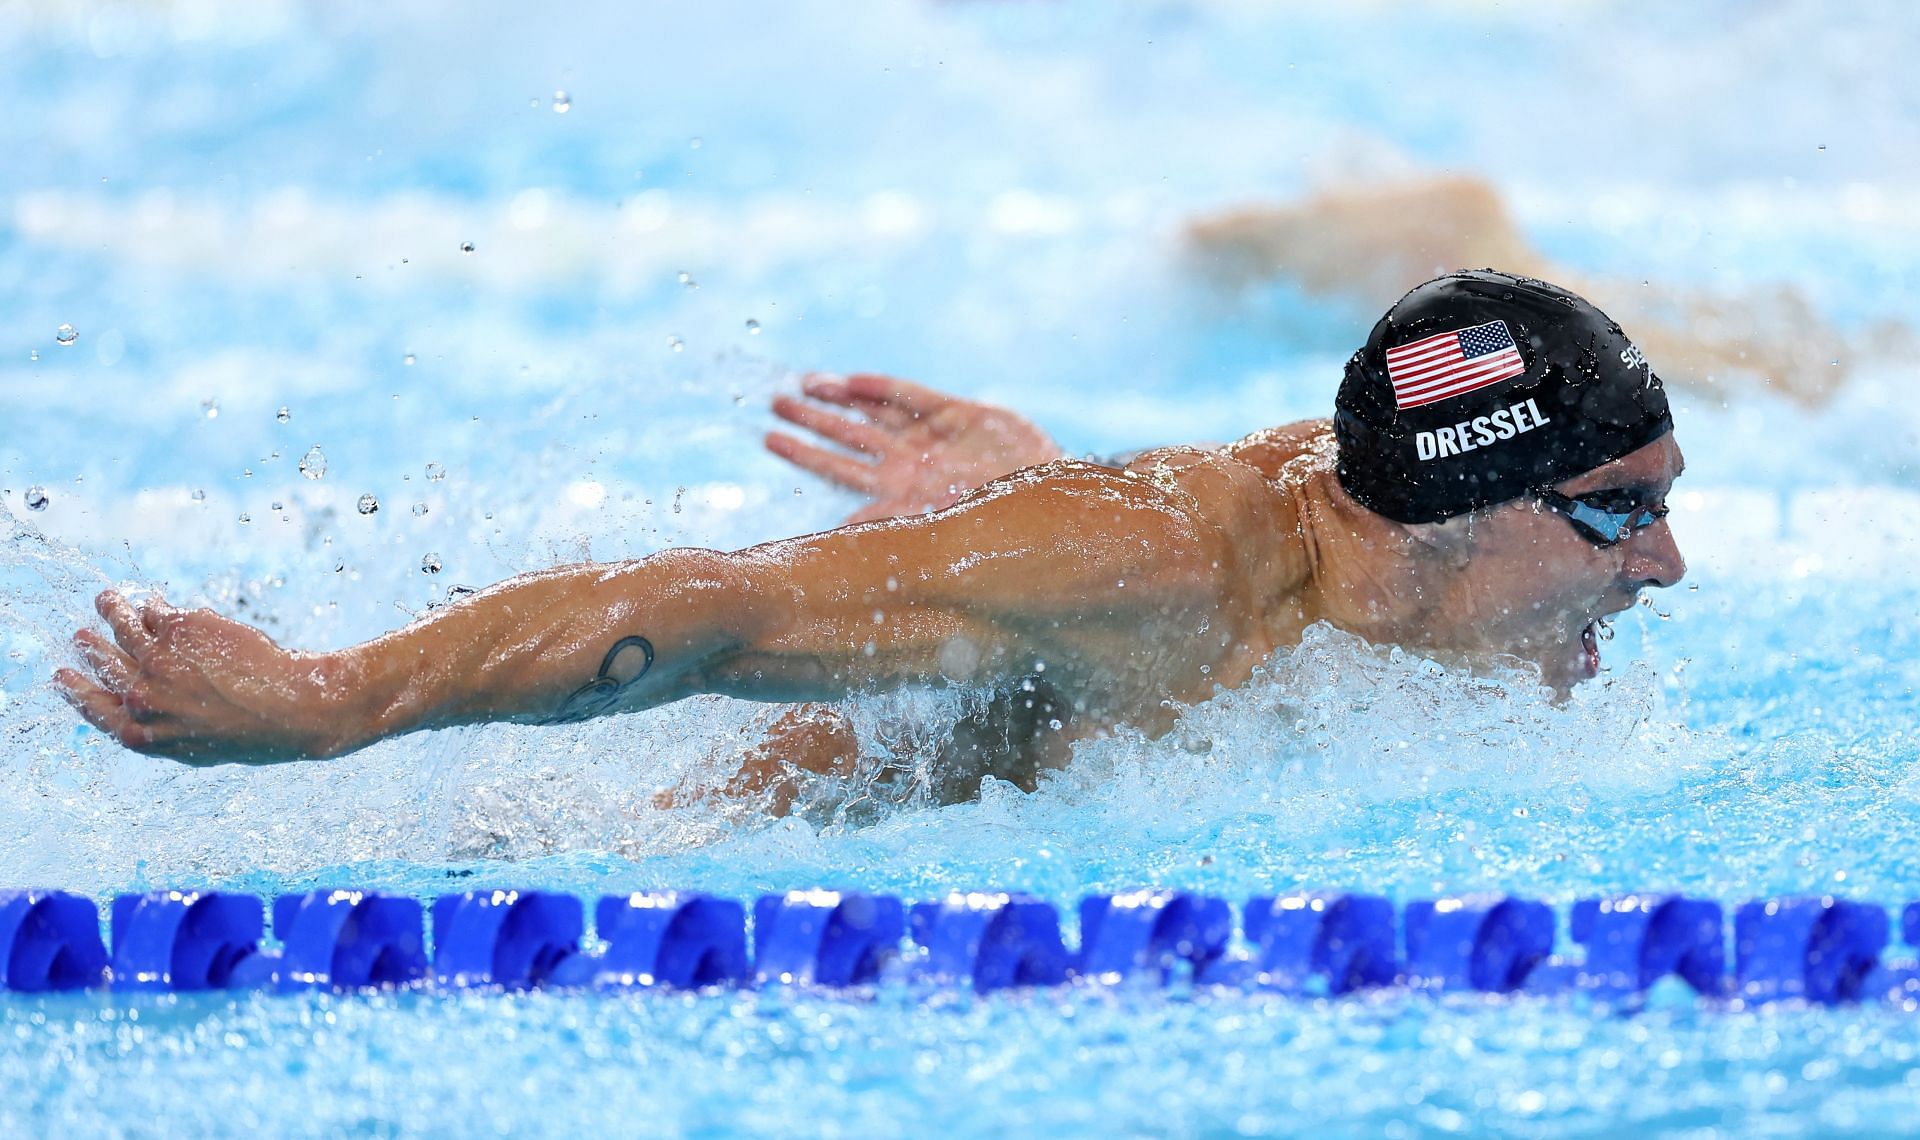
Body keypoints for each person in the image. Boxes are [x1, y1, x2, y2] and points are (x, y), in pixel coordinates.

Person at [56, 270, 1686, 814]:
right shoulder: (1166, 568)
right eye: (1625, 513)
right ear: (1464, 511)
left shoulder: (1430, 563)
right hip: (741, 839)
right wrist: (333, 699)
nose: (1662, 565)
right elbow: (697, 610)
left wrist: (1027, 495)